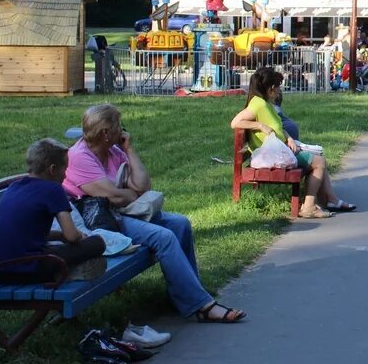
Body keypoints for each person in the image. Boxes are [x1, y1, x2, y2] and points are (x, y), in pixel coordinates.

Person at [66, 104, 246, 323]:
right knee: (163, 237)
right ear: (106, 133)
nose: (123, 131)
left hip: (120, 212)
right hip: (100, 222)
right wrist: (131, 193)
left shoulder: (114, 150)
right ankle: (203, 306)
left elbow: (143, 186)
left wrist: (129, 150)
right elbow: (112, 197)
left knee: (180, 223)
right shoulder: (79, 156)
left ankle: (187, 293)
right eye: (119, 126)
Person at [230, 67, 356, 218]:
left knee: (318, 155)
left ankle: (329, 200)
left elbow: (278, 127)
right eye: (278, 87)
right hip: (272, 157)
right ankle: (309, 207)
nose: (279, 91)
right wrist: (259, 125)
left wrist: (288, 137)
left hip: (278, 152)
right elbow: (235, 122)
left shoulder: (265, 103)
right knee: (319, 162)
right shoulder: (259, 104)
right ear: (271, 89)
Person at [0, 139, 106, 284]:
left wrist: (59, 236)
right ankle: (68, 273)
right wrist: (74, 237)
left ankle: (64, 270)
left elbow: (27, 233)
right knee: (98, 243)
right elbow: (72, 236)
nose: (65, 175)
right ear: (53, 169)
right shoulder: (53, 189)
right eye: (65, 169)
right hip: (29, 270)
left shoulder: (14, 187)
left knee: (54, 249)